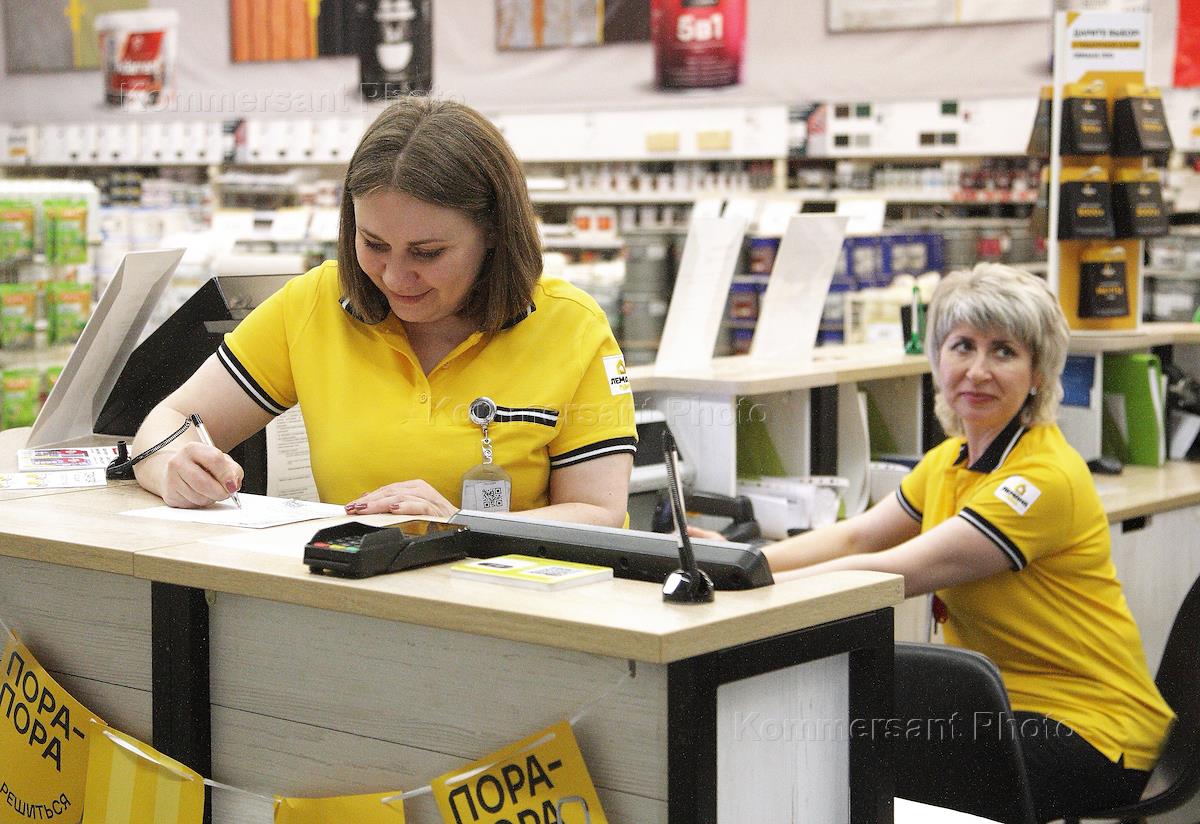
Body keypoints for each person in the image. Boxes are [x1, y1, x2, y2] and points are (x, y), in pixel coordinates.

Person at [702, 263, 1174, 821]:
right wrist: (740, 560)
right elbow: (856, 534)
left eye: (1004, 351)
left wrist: (748, 583)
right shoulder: (950, 460)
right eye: (963, 346)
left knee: (856, 762)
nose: (977, 370)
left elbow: (887, 569)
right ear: (938, 358)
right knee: (845, 747)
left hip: (1091, 731)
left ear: (1038, 373)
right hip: (1000, 707)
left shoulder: (1040, 478)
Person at [132, 97, 636, 526]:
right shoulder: (314, 304)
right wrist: (174, 466)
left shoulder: (572, 326)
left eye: (427, 253)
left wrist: (461, 524)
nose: (394, 278)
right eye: (373, 244)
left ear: (493, 234)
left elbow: (600, 511)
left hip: (511, 600)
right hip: (356, 594)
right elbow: (167, 421)